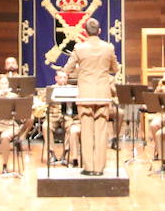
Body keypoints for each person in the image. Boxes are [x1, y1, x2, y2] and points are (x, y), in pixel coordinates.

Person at [63, 17, 118, 176]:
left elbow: (67, 69)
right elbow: (115, 68)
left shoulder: (79, 48)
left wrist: (81, 69)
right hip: (102, 94)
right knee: (101, 131)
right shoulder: (108, 47)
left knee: (86, 131)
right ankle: (99, 168)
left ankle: (88, 167)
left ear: (84, 32)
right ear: (99, 31)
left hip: (85, 94)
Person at [42, 69, 80, 166]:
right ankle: (51, 154)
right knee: (46, 126)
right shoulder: (50, 89)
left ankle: (65, 153)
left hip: (67, 116)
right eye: (60, 77)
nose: (63, 79)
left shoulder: (73, 89)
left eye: (65, 77)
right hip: (53, 116)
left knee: (71, 128)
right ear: (56, 78)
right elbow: (43, 102)